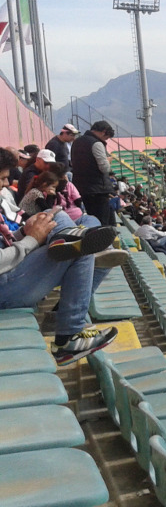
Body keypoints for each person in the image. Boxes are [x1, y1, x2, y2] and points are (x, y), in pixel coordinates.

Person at [0, 149, 122, 365]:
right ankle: (68, 336)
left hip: (11, 276)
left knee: (70, 221)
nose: (6, 183)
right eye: (2, 178)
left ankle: (64, 317)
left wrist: (24, 233)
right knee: (80, 246)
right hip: (5, 289)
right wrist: (31, 240)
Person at [71, 120, 117, 225]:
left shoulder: (77, 142)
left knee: (92, 220)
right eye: (107, 137)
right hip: (97, 190)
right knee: (102, 222)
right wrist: (108, 160)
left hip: (82, 187)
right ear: (103, 131)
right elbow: (104, 168)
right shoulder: (96, 144)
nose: (106, 140)